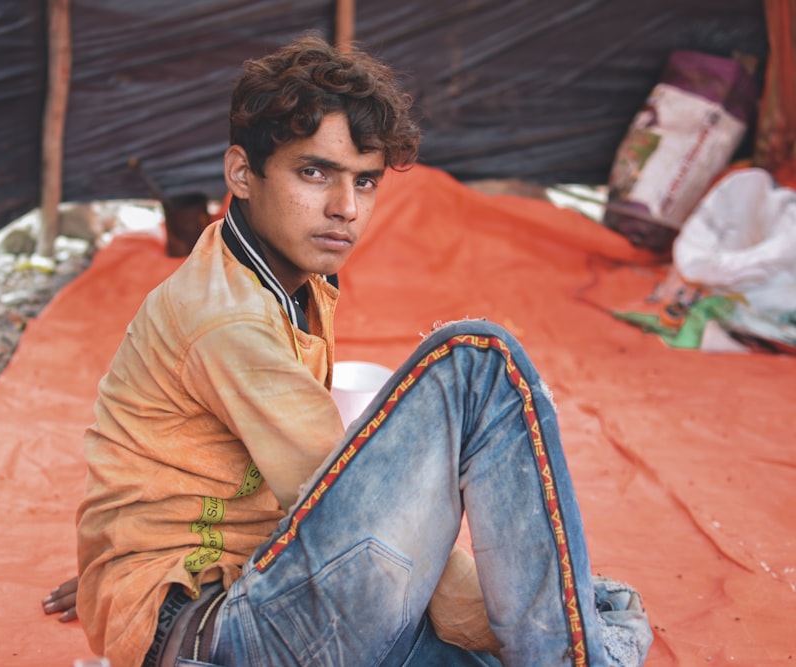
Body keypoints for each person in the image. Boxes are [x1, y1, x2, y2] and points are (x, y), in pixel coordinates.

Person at [43, 33, 653, 666]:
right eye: (315, 172)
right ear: (241, 174)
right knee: (476, 364)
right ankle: (571, 654)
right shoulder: (226, 319)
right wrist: (512, 624)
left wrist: (116, 574)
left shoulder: (287, 273)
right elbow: (330, 494)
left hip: (251, 592)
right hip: (221, 631)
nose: (345, 208)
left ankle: (552, 630)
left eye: (365, 182)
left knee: (544, 609)